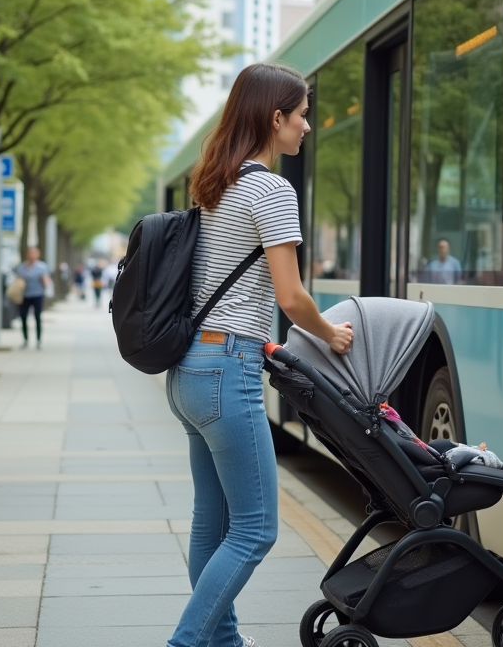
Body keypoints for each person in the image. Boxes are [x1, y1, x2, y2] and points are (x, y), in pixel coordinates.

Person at [168, 63, 353, 647]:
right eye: (301, 116)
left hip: (189, 371)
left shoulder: (214, 182)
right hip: (227, 372)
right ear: (275, 118)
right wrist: (332, 334)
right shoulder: (271, 188)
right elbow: (292, 297)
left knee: (212, 521)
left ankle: (221, 643)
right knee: (255, 530)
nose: (305, 128)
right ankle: (186, 643)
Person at [15, 247, 52, 349]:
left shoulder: (42, 267)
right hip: (24, 295)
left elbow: (46, 280)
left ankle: (39, 340)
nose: (32, 255)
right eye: (30, 253)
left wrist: (47, 286)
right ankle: (25, 340)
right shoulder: (22, 267)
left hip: (37, 294)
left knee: (37, 317)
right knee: (23, 317)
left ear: (38, 255)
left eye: (34, 253)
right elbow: (18, 280)